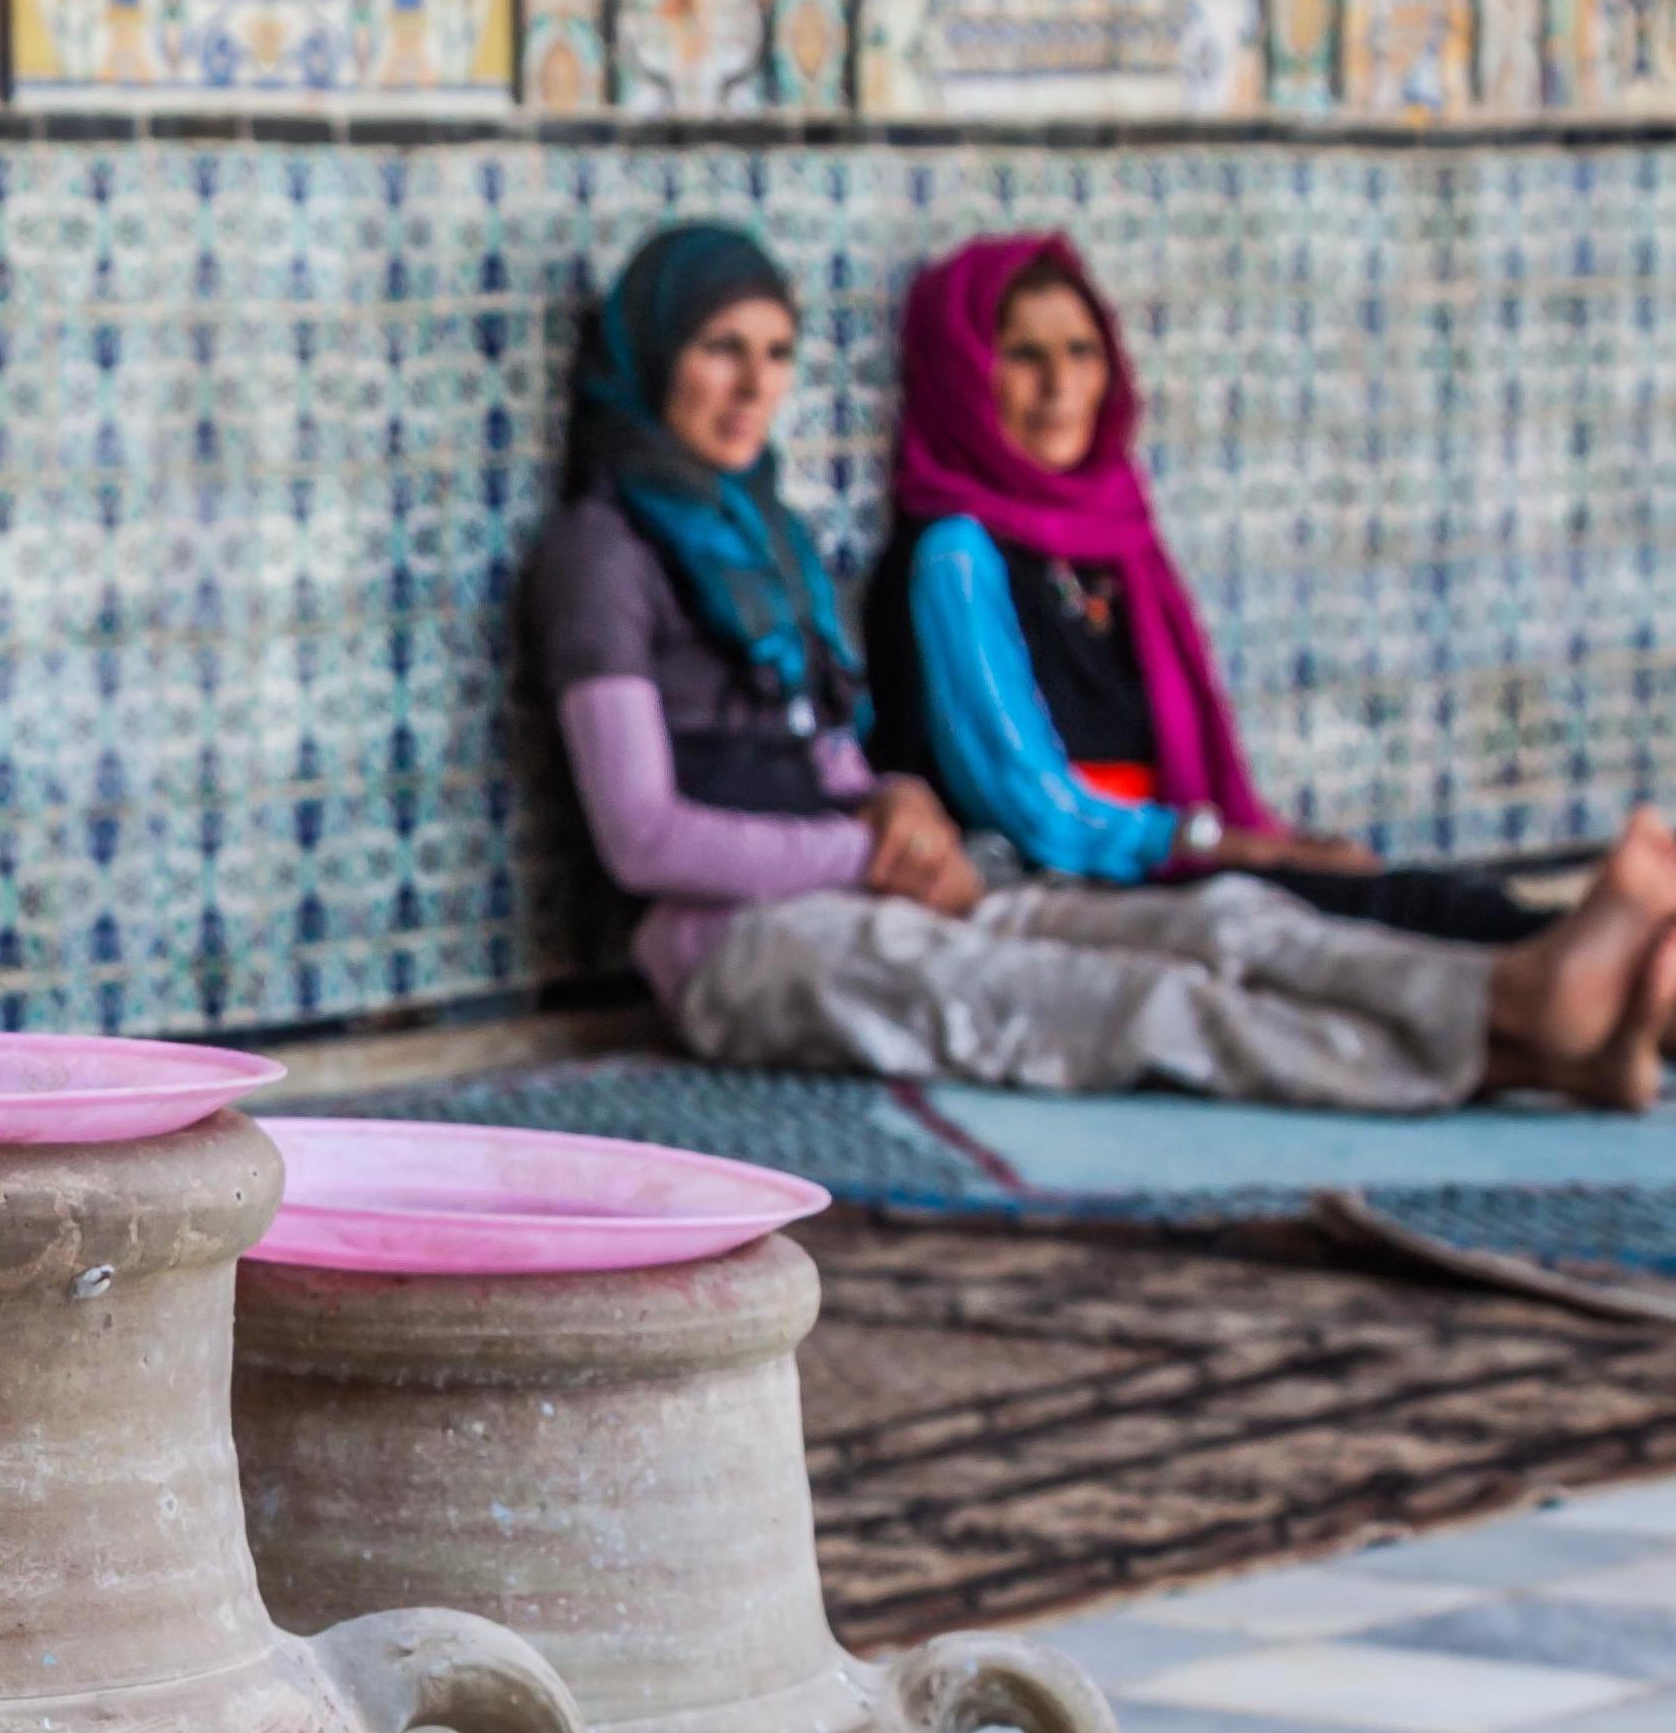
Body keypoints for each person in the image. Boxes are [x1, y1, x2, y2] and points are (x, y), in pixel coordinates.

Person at [520, 220, 1676, 1113]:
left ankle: (1539, 1025)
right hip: (739, 943)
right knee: (1131, 1006)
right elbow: (642, 836)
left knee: (1227, 927)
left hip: (885, 879)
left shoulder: (758, 537)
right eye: (718, 350)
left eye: (773, 355)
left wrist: (893, 802)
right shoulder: (600, 552)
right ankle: (1515, 1026)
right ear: (652, 358)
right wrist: (864, 855)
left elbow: (822, 751)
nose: (749, 388)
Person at [864, 231, 1607, 946]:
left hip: (1159, 862)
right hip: (1060, 887)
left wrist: (1250, 844)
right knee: (1389, 920)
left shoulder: (1114, 543)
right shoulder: (954, 556)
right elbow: (1030, 808)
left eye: (1080, 352)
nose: (1059, 386)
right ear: (962, 373)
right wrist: (1222, 844)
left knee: (1424, 905)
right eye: (1023, 356)